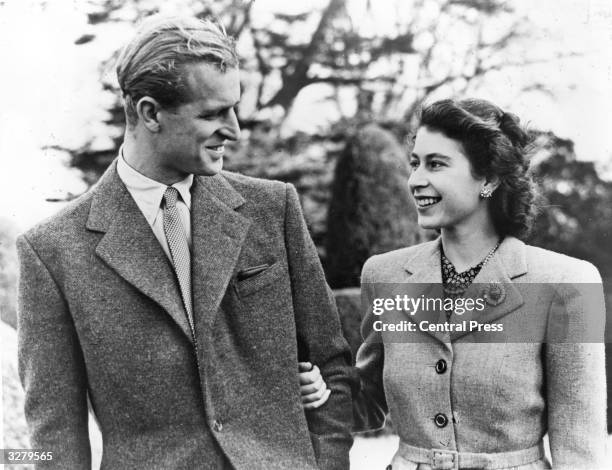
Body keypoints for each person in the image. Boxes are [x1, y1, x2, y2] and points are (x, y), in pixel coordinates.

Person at [17, 15, 353, 470]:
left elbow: (332, 364)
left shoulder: (273, 209)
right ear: (150, 112)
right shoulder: (53, 251)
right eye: (213, 114)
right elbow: (55, 435)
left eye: (233, 109)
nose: (234, 130)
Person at [300, 98, 607, 469]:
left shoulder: (565, 283)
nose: (415, 180)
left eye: (436, 164)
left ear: (489, 178)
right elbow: (368, 401)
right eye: (415, 163)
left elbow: (579, 450)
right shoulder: (384, 276)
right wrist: (321, 393)